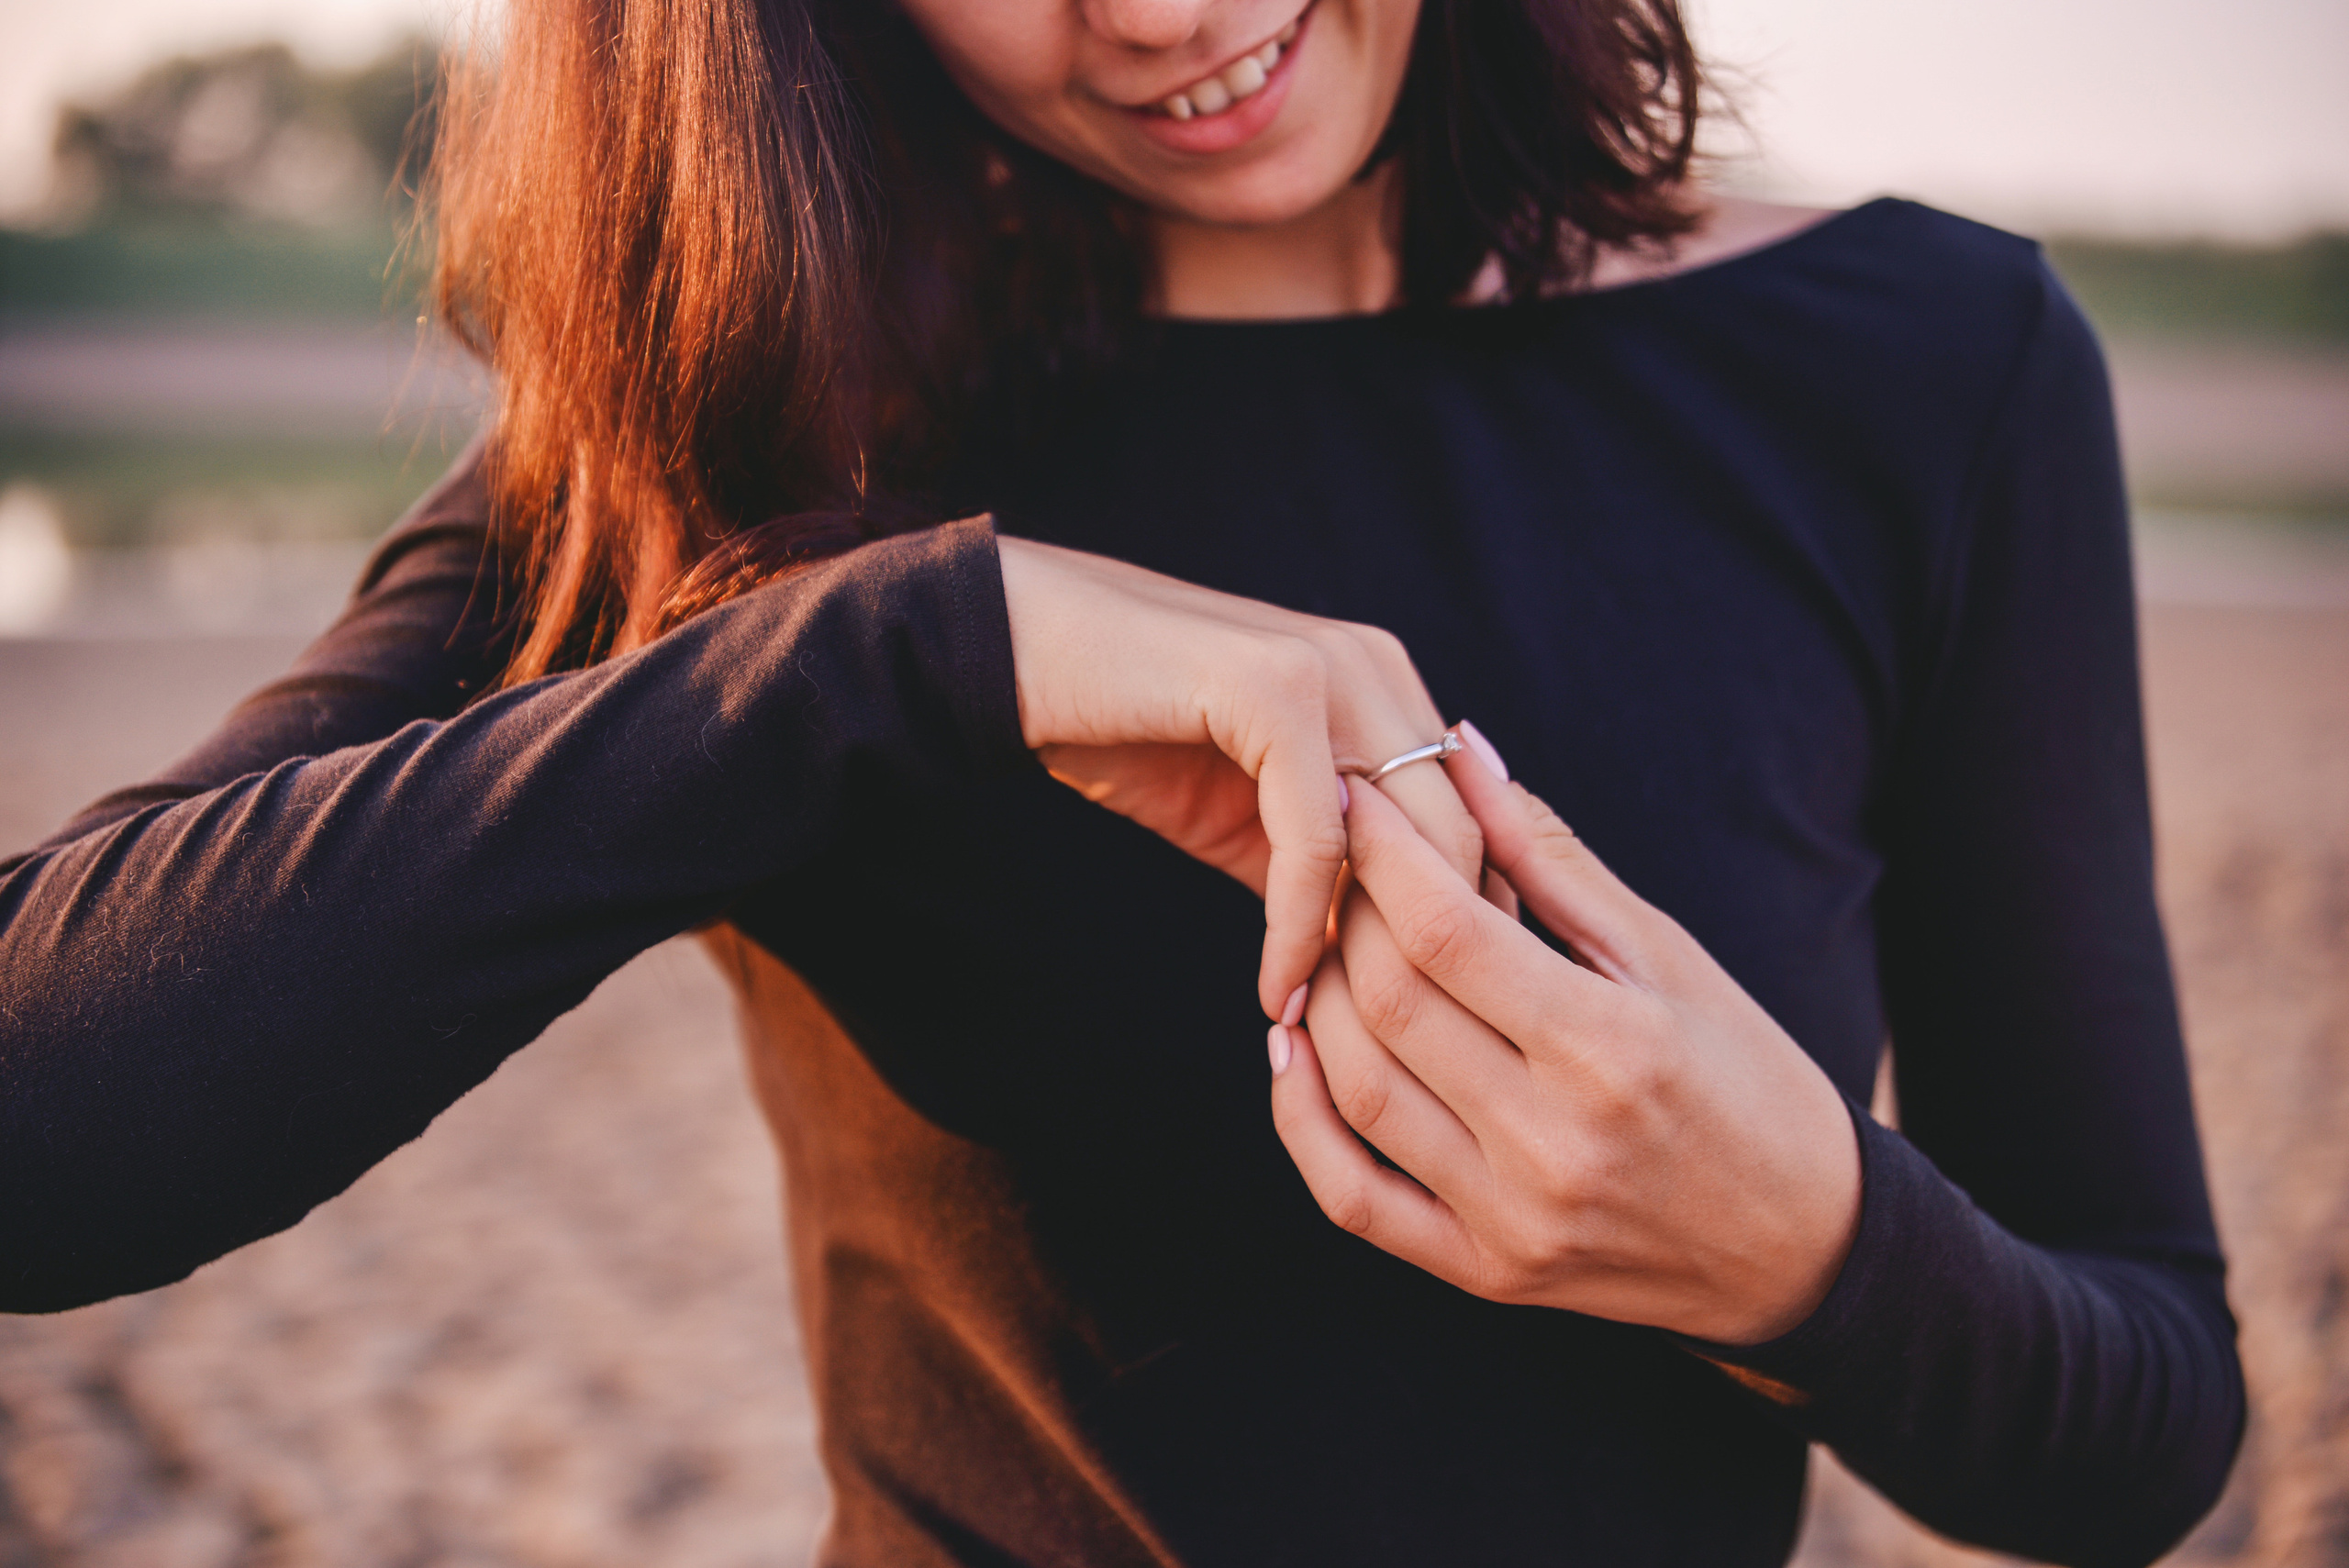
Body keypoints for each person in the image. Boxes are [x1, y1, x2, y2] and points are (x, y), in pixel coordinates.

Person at [0, 0, 2243, 1562]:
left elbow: (2139, 1435)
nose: (1166, 12)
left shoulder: (1920, 375)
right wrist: (899, 651)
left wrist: (1808, 1250)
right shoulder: (747, 425)